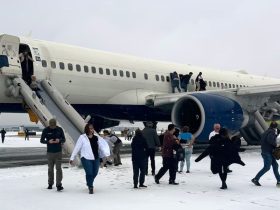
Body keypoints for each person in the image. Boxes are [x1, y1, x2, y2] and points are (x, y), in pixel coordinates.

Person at [70, 123, 110, 194]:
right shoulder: (82, 137)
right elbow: (77, 148)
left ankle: (89, 182)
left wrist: (106, 154)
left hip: (96, 158)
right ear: (87, 129)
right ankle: (90, 186)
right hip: (86, 158)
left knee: (95, 172)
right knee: (89, 173)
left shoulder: (96, 138)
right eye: (90, 128)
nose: (92, 129)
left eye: (92, 128)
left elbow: (101, 147)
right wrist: (72, 157)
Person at [251, 121, 280, 187]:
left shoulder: (267, 131)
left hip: (268, 151)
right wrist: (275, 145)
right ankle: (255, 179)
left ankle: (279, 181)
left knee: (275, 165)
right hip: (267, 152)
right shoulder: (271, 132)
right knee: (267, 167)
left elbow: (265, 139)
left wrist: (276, 135)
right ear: (275, 127)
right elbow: (270, 139)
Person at [40, 118, 65, 191]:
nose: (52, 127)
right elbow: (41, 140)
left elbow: (64, 139)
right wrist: (48, 141)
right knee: (50, 169)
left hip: (58, 152)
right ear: (49, 125)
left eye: (53, 126)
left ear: (55, 124)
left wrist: (59, 140)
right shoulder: (46, 130)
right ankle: (50, 183)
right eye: (51, 126)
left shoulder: (59, 129)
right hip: (50, 152)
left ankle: (58, 185)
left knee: (58, 169)